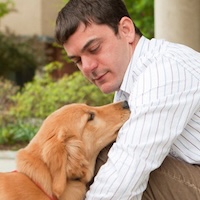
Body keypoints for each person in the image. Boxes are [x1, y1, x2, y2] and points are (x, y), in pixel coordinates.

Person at [55, 0, 200, 199]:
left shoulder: (164, 72)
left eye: (94, 48)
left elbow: (128, 169)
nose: (87, 67)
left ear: (126, 30)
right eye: (78, 60)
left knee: (105, 156)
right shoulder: (130, 84)